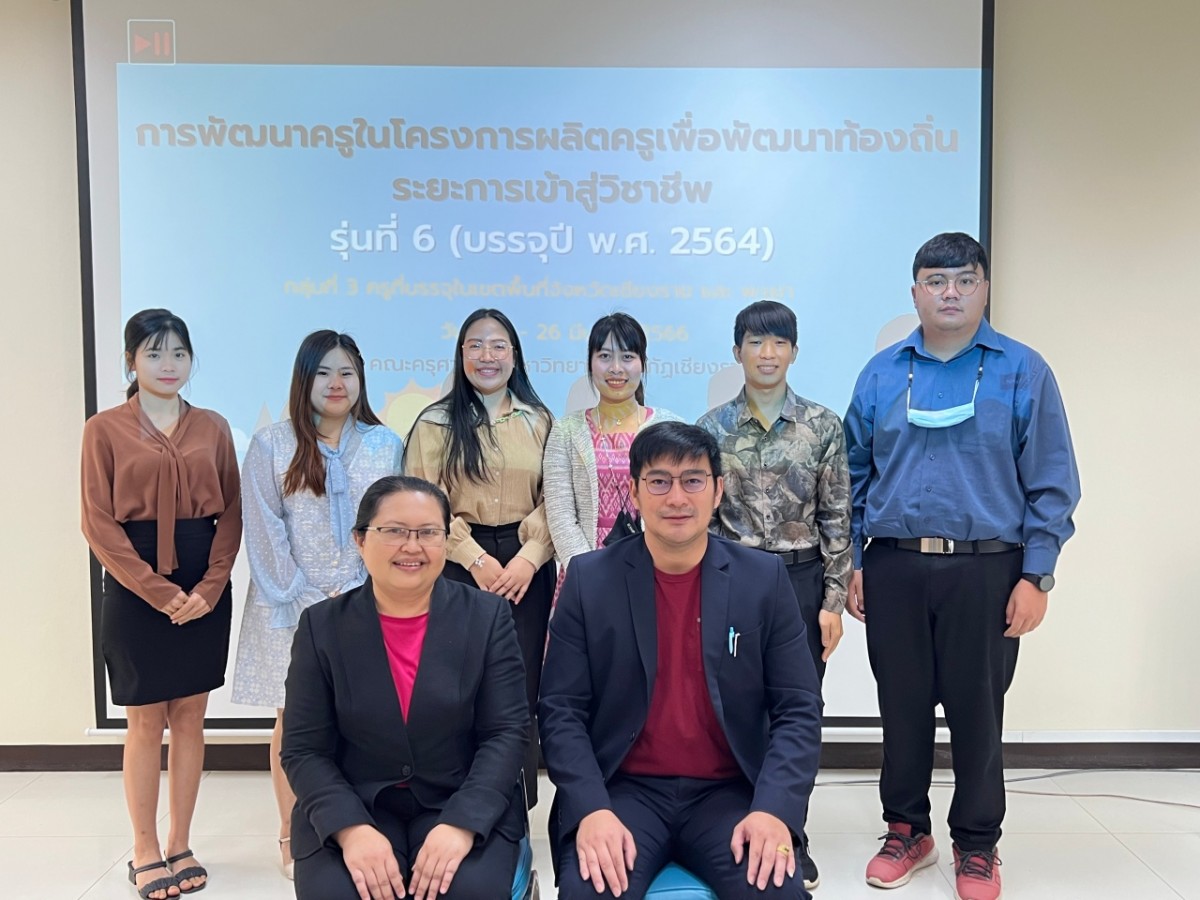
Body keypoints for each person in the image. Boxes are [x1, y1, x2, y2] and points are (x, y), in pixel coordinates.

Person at [843, 233, 1080, 900]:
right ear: (914, 291)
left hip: (988, 570)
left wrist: (1036, 575)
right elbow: (852, 475)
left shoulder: (1022, 371)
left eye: (965, 280)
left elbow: (1053, 480)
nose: (950, 293)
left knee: (979, 711)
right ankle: (906, 830)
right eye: (936, 280)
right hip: (894, 566)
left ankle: (977, 844)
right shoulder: (882, 373)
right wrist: (855, 561)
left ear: (985, 288)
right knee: (902, 706)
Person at [539, 422, 823, 900]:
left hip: (729, 793)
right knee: (590, 891)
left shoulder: (763, 579)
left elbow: (798, 709)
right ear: (634, 492)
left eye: (693, 480)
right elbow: (560, 711)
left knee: (774, 891)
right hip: (623, 790)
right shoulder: (590, 581)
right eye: (659, 481)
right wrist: (591, 809)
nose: (676, 498)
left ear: (717, 491)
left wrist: (774, 809)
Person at [282, 475, 529, 900]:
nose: (412, 547)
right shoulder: (321, 626)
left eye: (428, 532)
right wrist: (350, 829)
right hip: (355, 802)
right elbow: (304, 749)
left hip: (460, 797)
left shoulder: (487, 617)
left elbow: (506, 734)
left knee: (466, 892)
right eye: (394, 531)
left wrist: (462, 823)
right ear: (361, 540)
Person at [80, 309, 241, 899]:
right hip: (134, 584)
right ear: (131, 362)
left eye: (178, 353)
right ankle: (145, 848)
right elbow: (97, 522)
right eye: (154, 354)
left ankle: (180, 842)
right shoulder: (103, 429)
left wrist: (209, 588)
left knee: (192, 717)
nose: (168, 365)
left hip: (203, 583)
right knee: (146, 720)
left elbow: (232, 513)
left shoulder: (214, 427)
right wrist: (159, 591)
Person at [230, 330, 402, 879]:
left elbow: (391, 524)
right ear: (303, 379)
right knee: (295, 720)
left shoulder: (384, 444)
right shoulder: (271, 445)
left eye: (347, 372)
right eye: (324, 372)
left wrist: (355, 584)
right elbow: (263, 530)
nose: (336, 383)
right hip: (288, 605)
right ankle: (291, 832)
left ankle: (360, 826)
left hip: (366, 598)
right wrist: (304, 593)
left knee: (364, 714)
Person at [696, 299, 851, 891]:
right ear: (737, 351)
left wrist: (832, 601)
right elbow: (705, 518)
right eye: (756, 343)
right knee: (735, 707)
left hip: (800, 580)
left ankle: (791, 835)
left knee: (796, 709)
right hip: (732, 580)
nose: (767, 354)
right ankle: (739, 827)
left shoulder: (822, 425)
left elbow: (837, 516)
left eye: (779, 342)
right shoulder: (712, 428)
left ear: (794, 351)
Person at [404, 308, 555, 808]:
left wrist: (530, 556)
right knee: (458, 690)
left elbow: (556, 498)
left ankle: (516, 810)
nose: (487, 356)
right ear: (461, 354)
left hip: (526, 568)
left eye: (498, 345)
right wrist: (474, 558)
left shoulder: (540, 421)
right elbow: (423, 503)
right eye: (475, 345)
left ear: (515, 355)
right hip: (455, 564)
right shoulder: (434, 424)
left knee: (520, 690)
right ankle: (459, 806)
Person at [543, 313, 683, 589]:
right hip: (584, 576)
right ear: (590, 363)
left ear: (642, 363)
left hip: (657, 572)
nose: (616, 368)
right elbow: (560, 515)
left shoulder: (670, 427)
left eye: (627, 357)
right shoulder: (566, 430)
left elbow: (680, 504)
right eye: (605, 356)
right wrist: (588, 573)